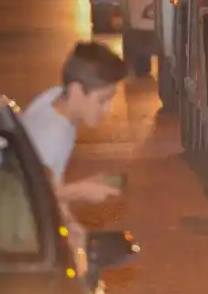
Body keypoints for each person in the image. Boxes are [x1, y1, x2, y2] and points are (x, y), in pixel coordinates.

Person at [20, 41, 128, 206]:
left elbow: (50, 183)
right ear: (76, 91)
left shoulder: (54, 96)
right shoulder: (54, 134)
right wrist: (80, 191)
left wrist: (69, 222)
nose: (107, 109)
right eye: (102, 100)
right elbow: (30, 195)